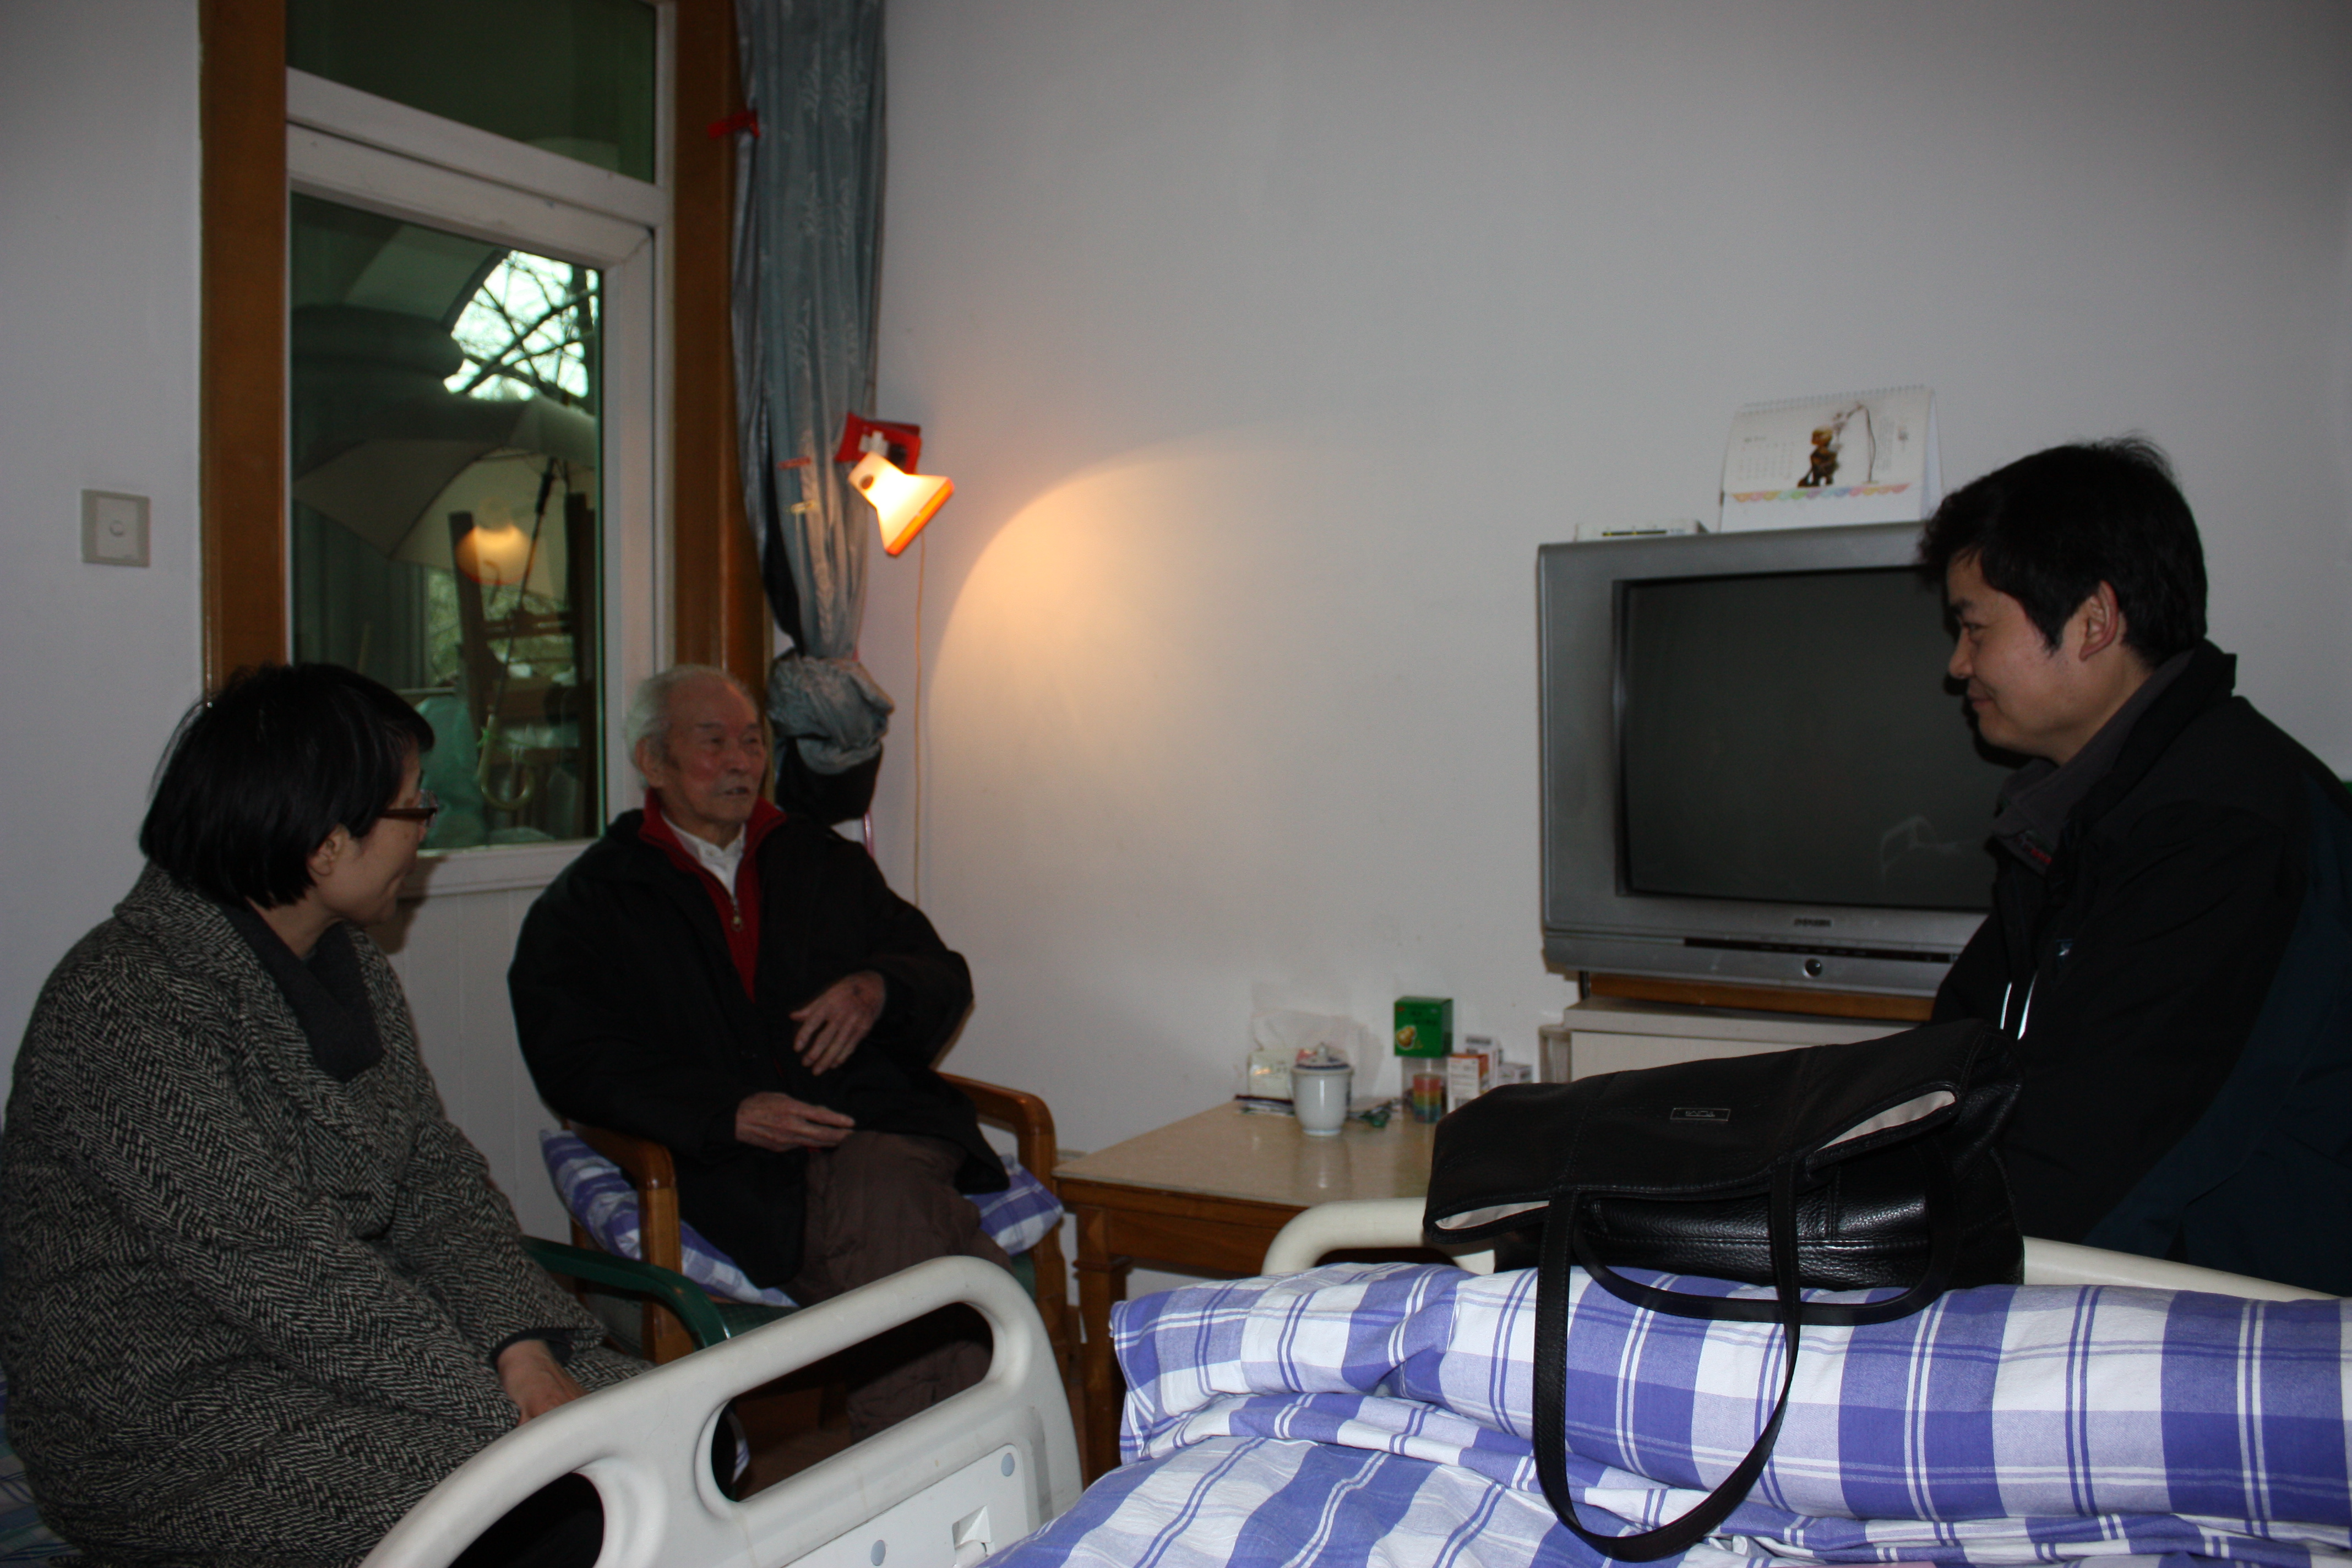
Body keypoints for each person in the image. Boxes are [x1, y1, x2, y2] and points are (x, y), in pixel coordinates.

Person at [0, 664, 639, 1568]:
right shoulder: (123, 1005)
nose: (428, 831)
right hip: (170, 1418)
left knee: (675, 1437)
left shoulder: (350, 967)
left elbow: (437, 1183)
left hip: (345, 1355)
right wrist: (510, 1415)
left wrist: (523, 1350)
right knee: (572, 1502)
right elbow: (281, 1272)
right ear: (327, 845)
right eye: (416, 807)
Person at [508, 666, 1006, 1435]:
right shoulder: (592, 902)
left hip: (874, 1123)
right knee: (946, 1259)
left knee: (885, 1194)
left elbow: (940, 973)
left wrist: (876, 988)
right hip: (738, 1166)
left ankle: (916, 1471)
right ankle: (983, 1451)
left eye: (752, 742)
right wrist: (727, 1113)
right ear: (652, 760)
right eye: (714, 743)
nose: (742, 762)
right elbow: (573, 1059)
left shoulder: (819, 860)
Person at [1920, 439, 2352, 1294]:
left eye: (1975, 628)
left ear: (2094, 621)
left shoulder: (2223, 828)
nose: (1958, 665)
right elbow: (1951, 1059)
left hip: (2250, 1300)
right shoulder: (2080, 812)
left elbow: (2087, 1167)